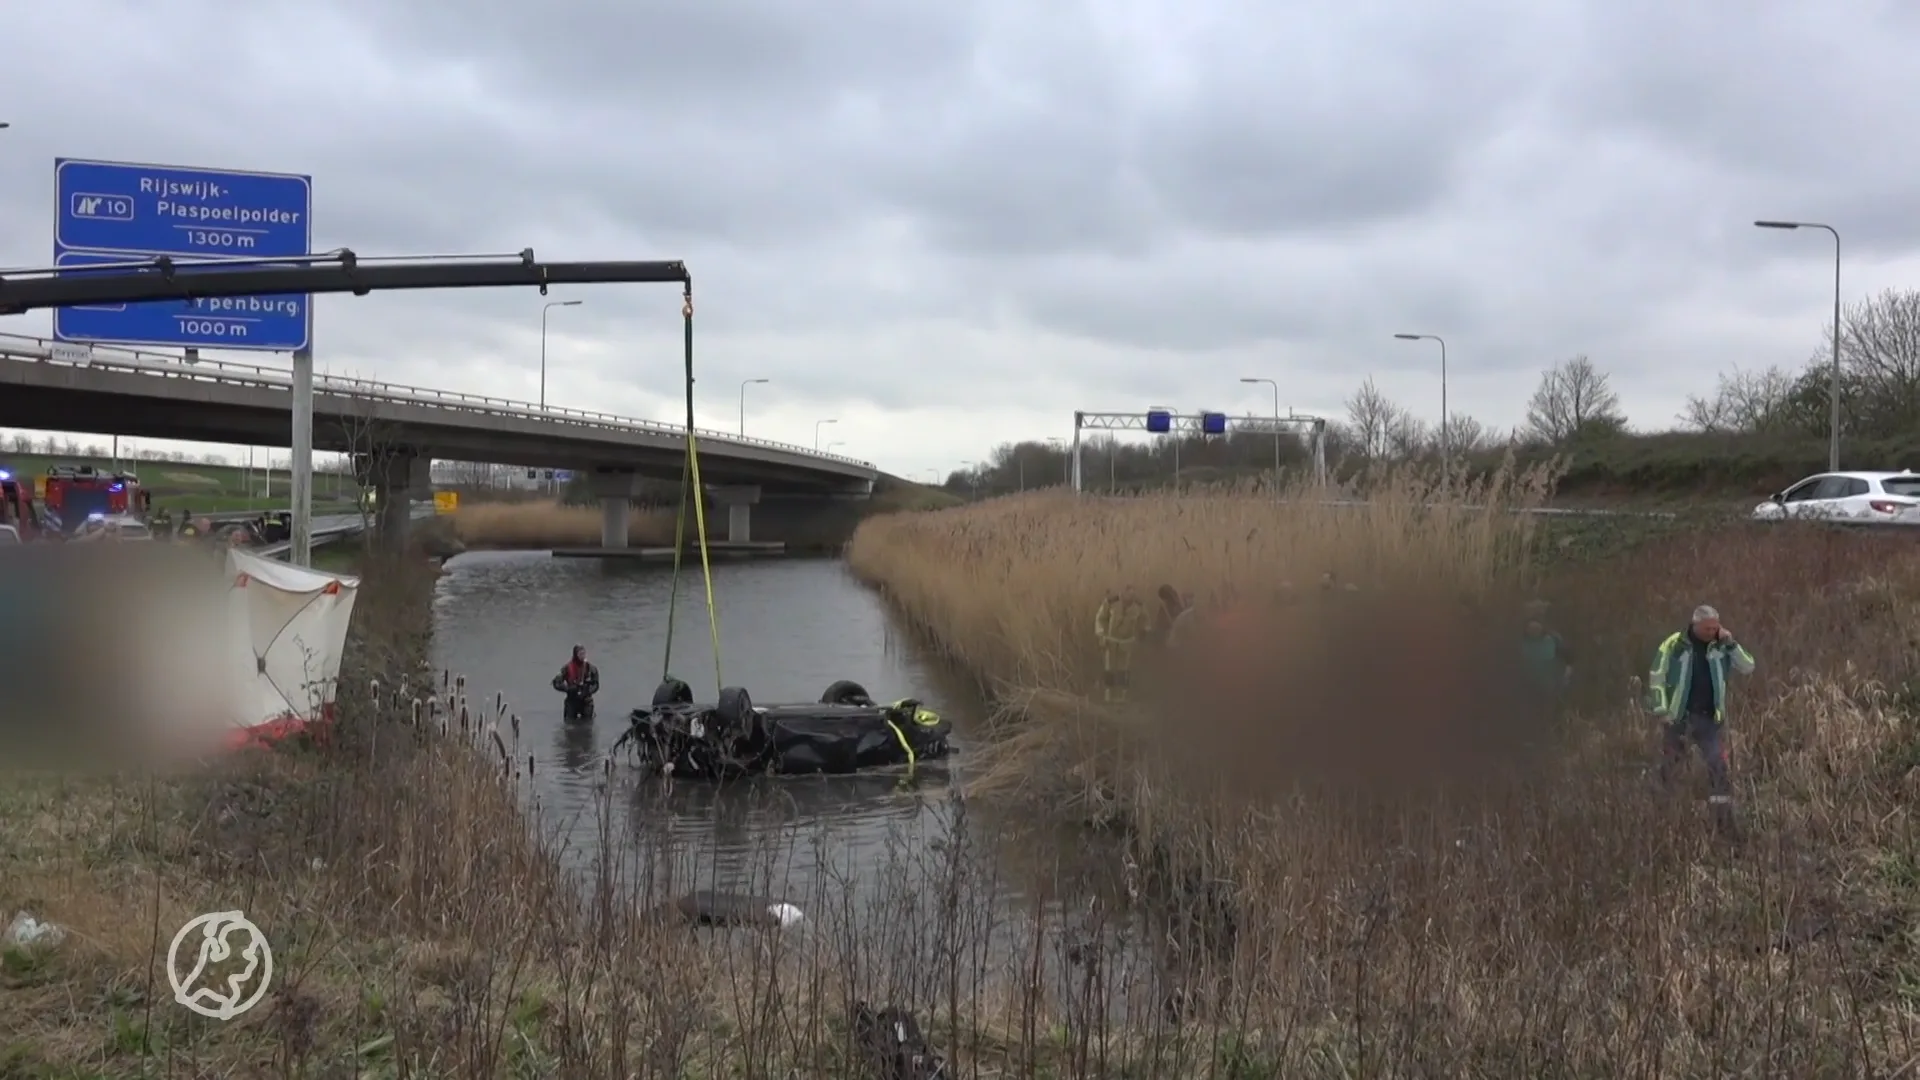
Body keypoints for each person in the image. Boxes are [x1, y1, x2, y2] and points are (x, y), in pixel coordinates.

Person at [1646, 604, 1755, 810]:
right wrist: (1661, 709)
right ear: (1695, 625)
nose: (1712, 632)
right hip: (1678, 717)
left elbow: (1748, 666)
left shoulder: (1722, 645)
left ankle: (1722, 816)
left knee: (1717, 765)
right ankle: (1660, 808)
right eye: (1708, 629)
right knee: (1671, 764)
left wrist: (1731, 643)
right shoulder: (1674, 645)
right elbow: (1657, 677)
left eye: (1715, 628)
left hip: (1708, 719)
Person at [1093, 585, 1146, 703]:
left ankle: (1122, 696)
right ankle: (1108, 695)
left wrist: (1141, 635)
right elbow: (1100, 618)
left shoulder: (1139, 606)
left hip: (1127, 642)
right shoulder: (1111, 603)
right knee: (1110, 668)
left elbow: (1144, 621)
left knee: (1124, 669)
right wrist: (1101, 634)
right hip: (1111, 640)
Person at [552, 644, 601, 722]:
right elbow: (556, 683)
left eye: (584, 654)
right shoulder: (567, 668)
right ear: (575, 655)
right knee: (569, 724)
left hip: (586, 701)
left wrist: (588, 690)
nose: (583, 656)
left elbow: (596, 684)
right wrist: (568, 689)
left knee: (588, 726)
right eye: (580, 654)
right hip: (572, 700)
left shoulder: (591, 668)